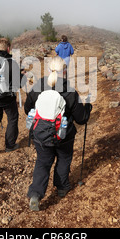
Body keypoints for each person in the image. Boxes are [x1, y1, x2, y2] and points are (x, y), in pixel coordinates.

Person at [24, 56, 92, 211]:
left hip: (40, 134)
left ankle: (36, 193)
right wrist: (87, 108)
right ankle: (61, 187)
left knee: (42, 162)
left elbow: (28, 109)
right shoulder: (70, 91)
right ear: (65, 71)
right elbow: (81, 119)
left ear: (48, 70)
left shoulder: (38, 86)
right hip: (64, 135)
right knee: (63, 159)